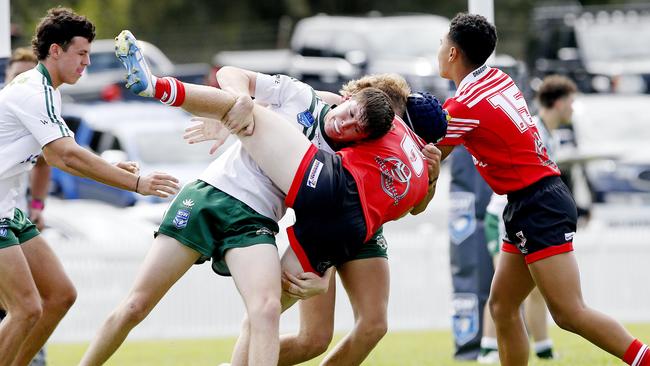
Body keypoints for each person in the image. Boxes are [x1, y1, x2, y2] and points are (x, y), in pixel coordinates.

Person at [79, 30, 444, 366]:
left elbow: (337, 221)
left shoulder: (342, 158)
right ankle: (153, 85)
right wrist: (234, 104)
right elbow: (230, 75)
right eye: (348, 113)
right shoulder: (304, 98)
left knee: (266, 310)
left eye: (356, 127)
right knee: (135, 305)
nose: (345, 124)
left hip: (256, 221)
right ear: (348, 99)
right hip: (211, 195)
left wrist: (321, 271)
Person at [435, 12, 649, 366]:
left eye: (442, 43)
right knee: (502, 307)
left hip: (537, 203)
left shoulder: (463, 104)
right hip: (530, 200)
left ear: (454, 53)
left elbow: (433, 153)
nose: (439, 49)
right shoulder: (497, 77)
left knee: (569, 314)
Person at [0, 8, 179, 366]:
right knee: (26, 308)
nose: (86, 63)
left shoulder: (46, 90)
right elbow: (67, 156)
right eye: (81, 54)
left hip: (9, 208)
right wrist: (136, 182)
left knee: (60, 296)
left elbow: (55, 156)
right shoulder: (36, 91)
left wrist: (112, 168)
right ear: (55, 51)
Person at [478, 74, 580, 363]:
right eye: (571, 102)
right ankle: (488, 349)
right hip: (504, 216)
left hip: (529, 215)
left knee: (533, 291)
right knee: (505, 291)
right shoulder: (533, 128)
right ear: (558, 102)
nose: (573, 108)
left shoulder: (549, 133)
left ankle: (543, 348)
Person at [0, 46, 48, 366]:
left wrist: (37, 204)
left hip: (14, 214)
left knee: (54, 297)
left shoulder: (38, 107)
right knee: (26, 307)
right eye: (14, 75)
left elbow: (49, 161)